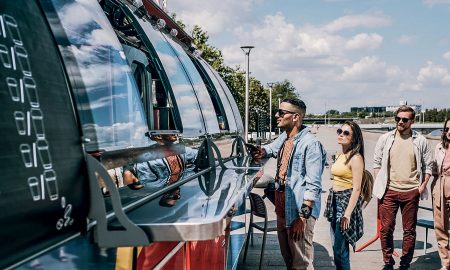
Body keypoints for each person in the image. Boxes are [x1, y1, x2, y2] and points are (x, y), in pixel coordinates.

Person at [251, 98, 326, 269]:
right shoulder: (285, 138)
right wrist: (261, 152)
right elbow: (271, 149)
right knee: (288, 259)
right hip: (282, 207)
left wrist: (301, 218)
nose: (277, 115)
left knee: (301, 263)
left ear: (295, 117)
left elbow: (314, 185)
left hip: (298, 211)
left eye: (281, 112)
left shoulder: (311, 144)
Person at [373, 105, 433, 270]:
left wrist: (421, 187)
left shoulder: (420, 140)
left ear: (412, 121)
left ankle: (405, 264)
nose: (400, 122)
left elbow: (428, 166)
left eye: (404, 119)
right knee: (386, 229)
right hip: (389, 190)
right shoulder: (385, 138)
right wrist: (380, 181)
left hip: (411, 191)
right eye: (398, 119)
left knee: (409, 231)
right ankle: (388, 261)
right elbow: (376, 162)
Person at [324, 121, 365, 270]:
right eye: (340, 131)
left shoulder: (356, 158)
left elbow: (357, 189)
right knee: (336, 247)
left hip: (345, 204)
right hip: (335, 200)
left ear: (354, 138)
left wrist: (347, 213)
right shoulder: (341, 155)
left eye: (346, 133)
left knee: (340, 250)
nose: (341, 134)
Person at [432, 118, 450, 270]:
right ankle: (445, 262)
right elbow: (433, 170)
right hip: (440, 186)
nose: (449, 132)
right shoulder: (439, 147)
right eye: (447, 129)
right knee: (441, 226)